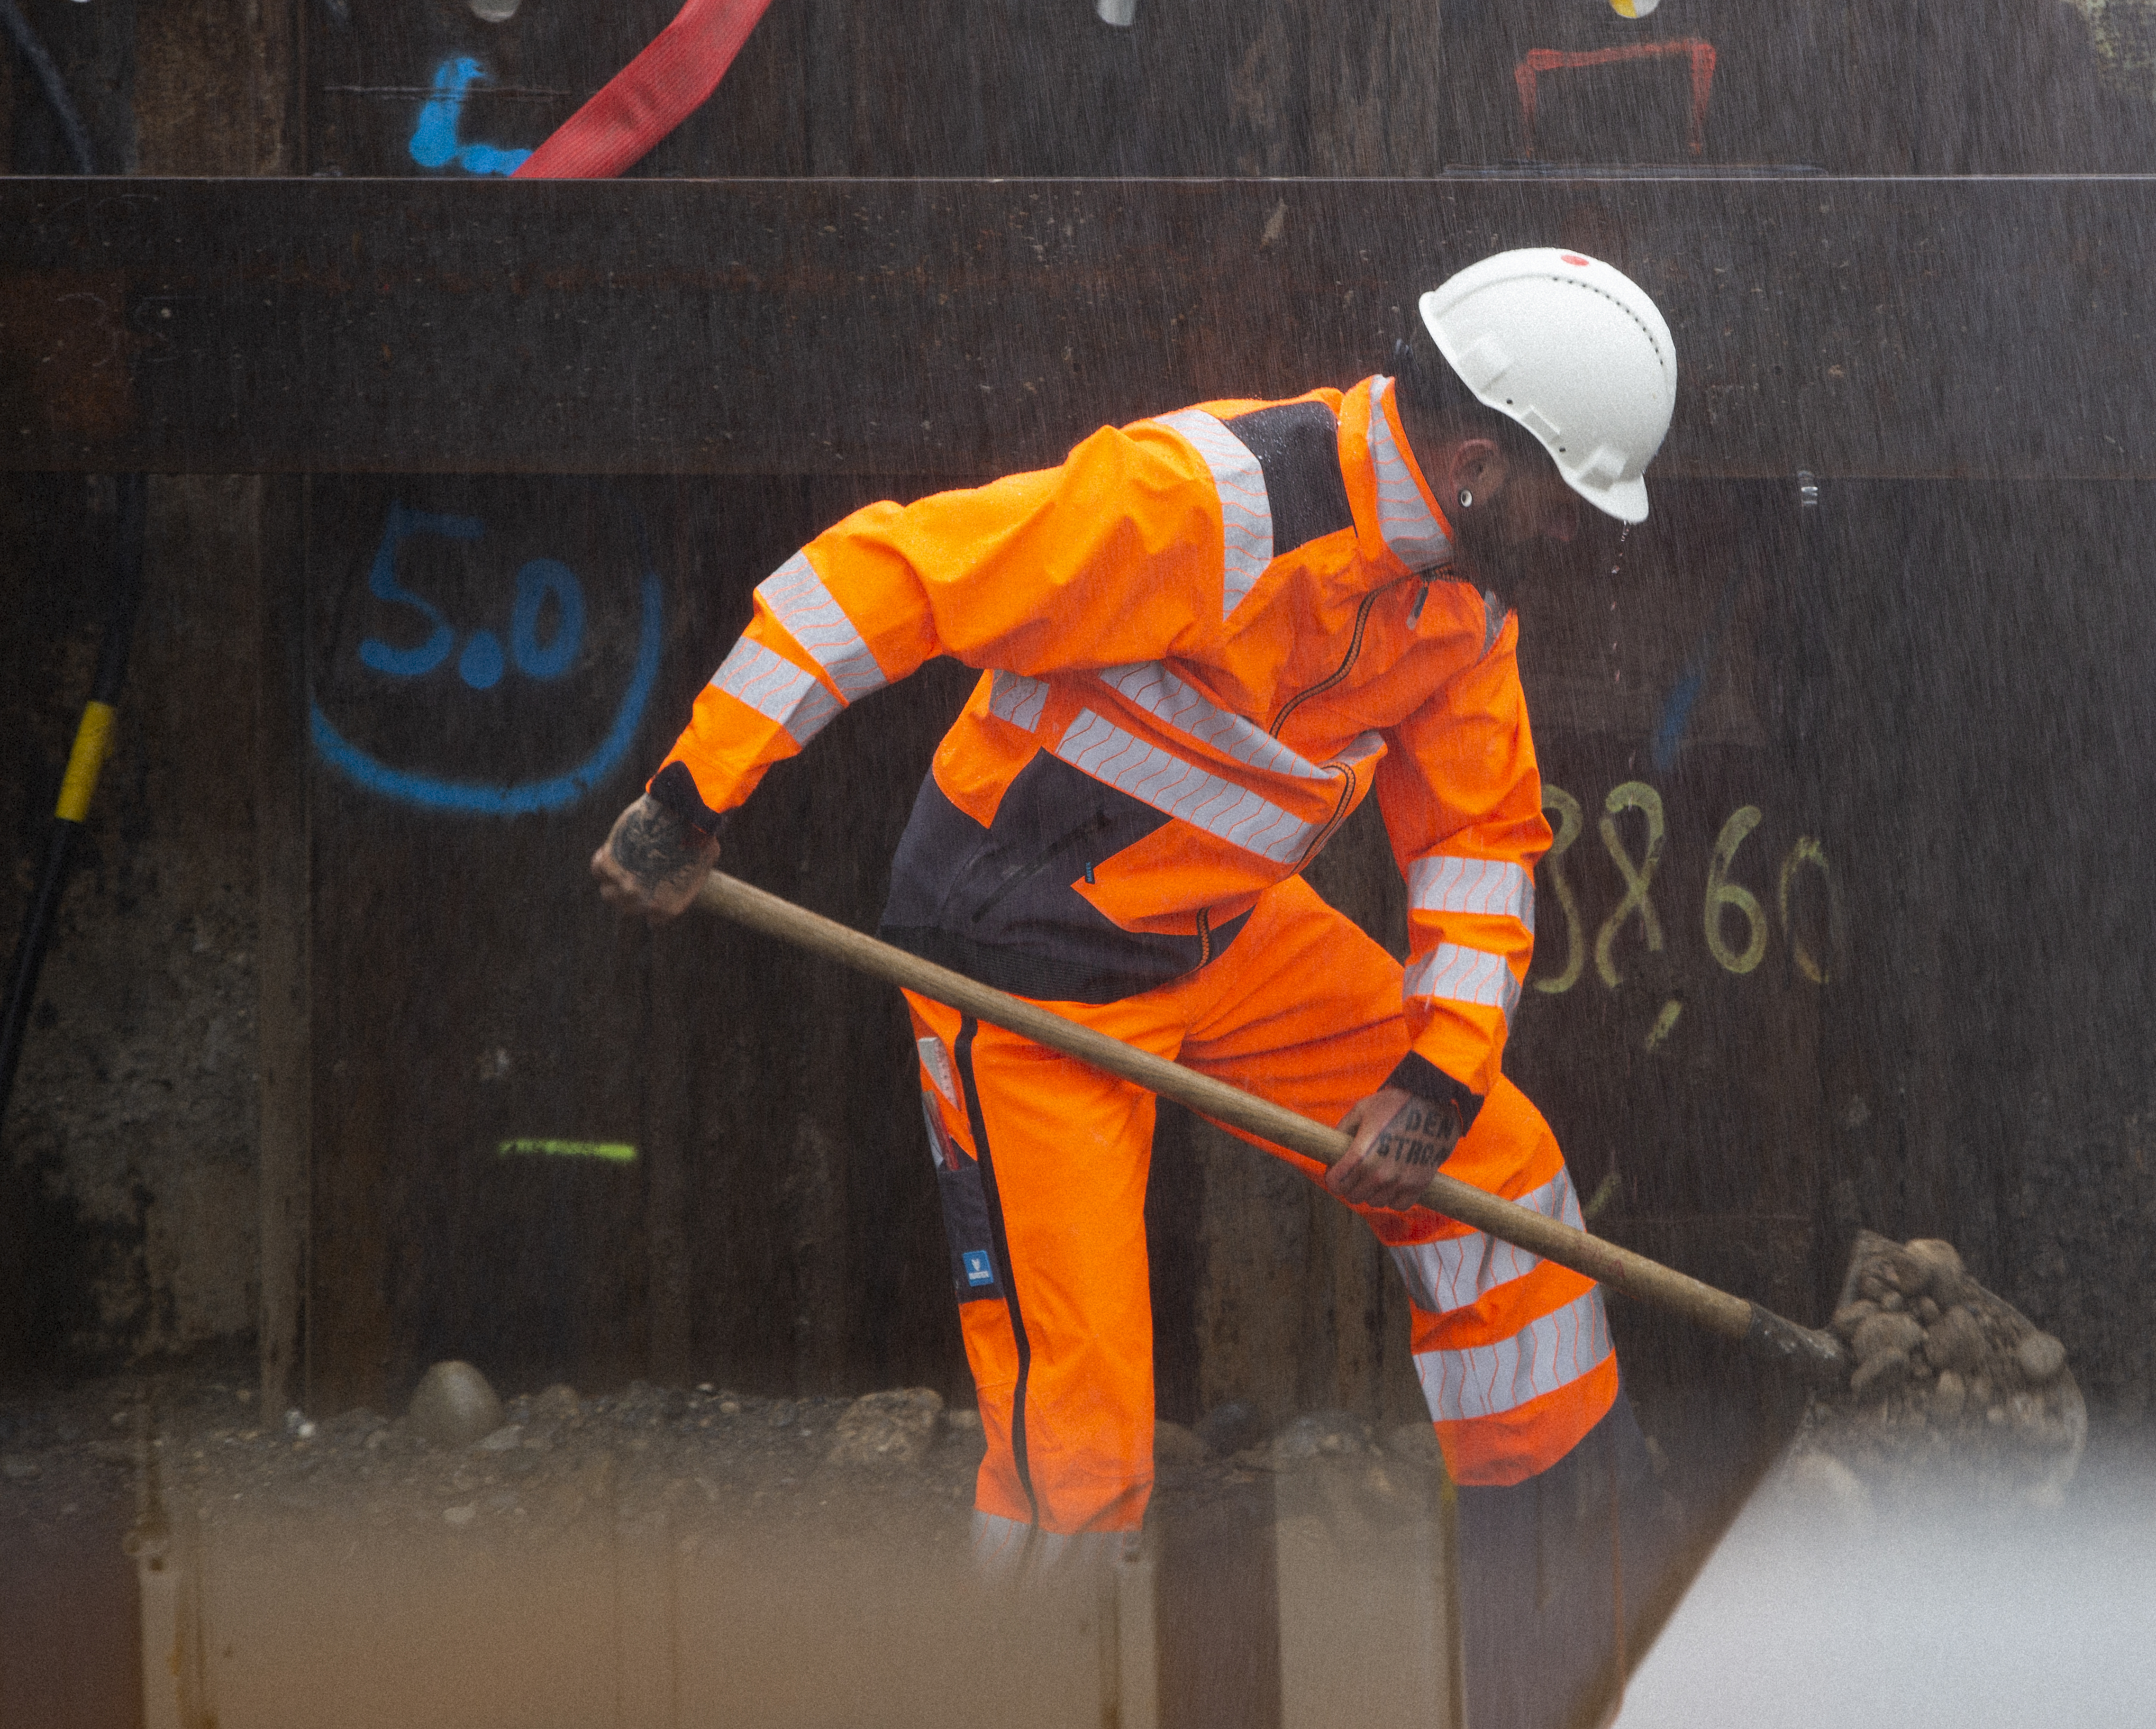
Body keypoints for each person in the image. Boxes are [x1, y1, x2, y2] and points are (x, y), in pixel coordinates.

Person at [593, 248, 1677, 1727]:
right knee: (1083, 1443)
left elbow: (1481, 840)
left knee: (1507, 1177)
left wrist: (1435, 1078)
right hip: (1024, 970)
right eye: (1571, 505)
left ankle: (1555, 1623)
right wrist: (694, 786)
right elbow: (884, 573)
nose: (1580, 542)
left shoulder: (1461, 604)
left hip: (1222, 931)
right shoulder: (1198, 507)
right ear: (1483, 464)